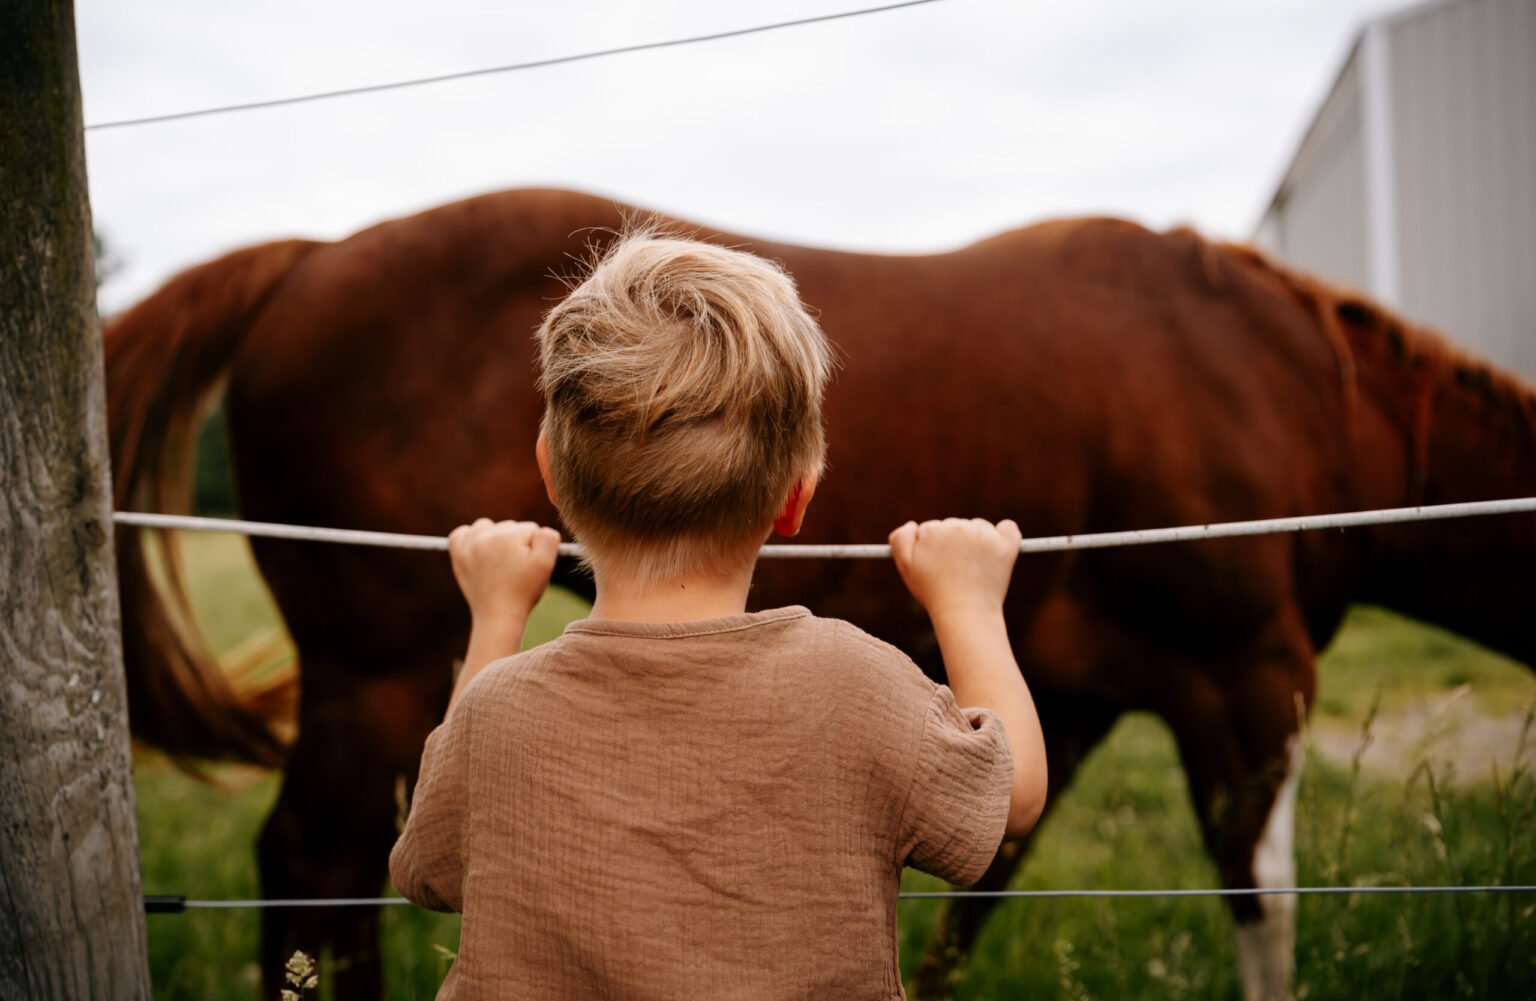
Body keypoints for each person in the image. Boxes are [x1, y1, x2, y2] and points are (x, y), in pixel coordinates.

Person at [389, 233, 1048, 1000]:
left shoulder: (496, 713)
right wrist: (967, 604)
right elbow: (1014, 795)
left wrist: (496, 616)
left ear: (550, 478)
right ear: (796, 497)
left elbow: (429, 864)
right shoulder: (857, 684)